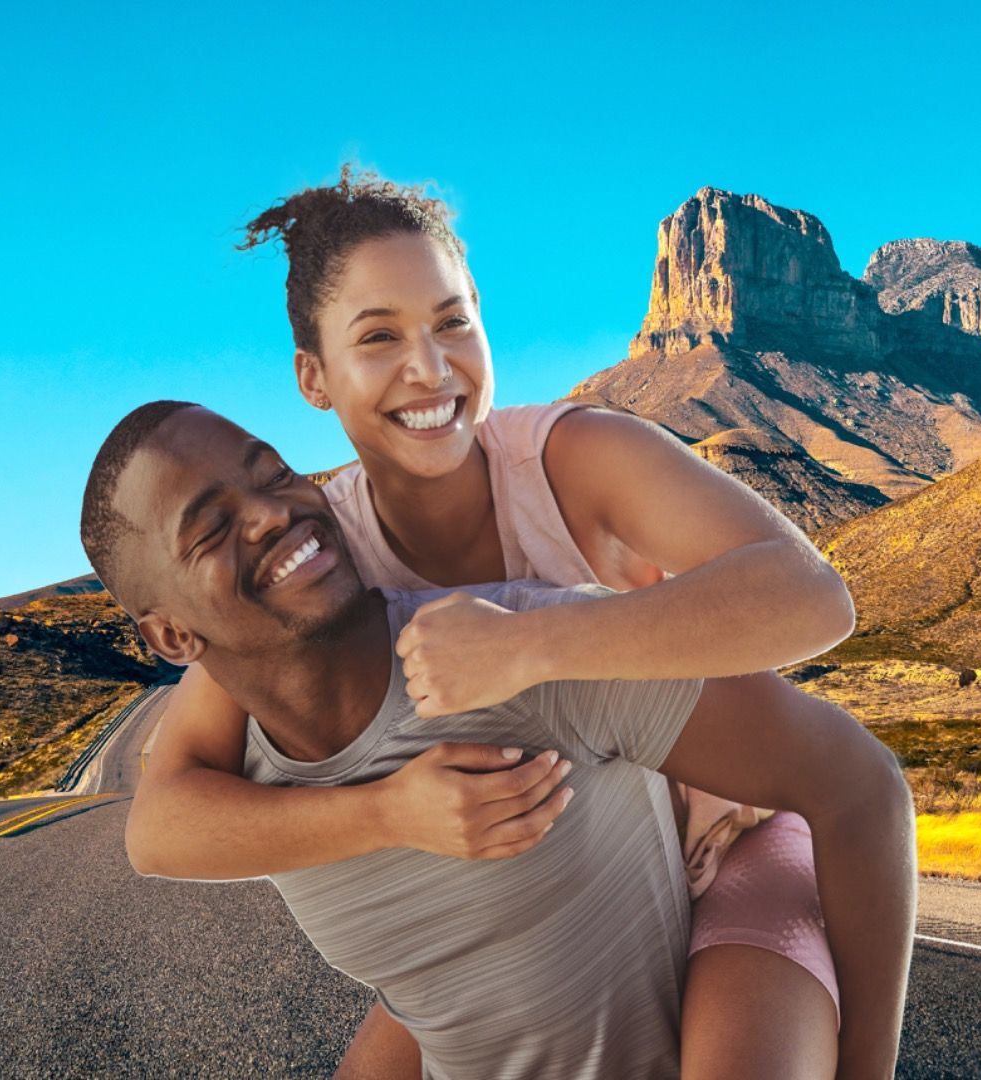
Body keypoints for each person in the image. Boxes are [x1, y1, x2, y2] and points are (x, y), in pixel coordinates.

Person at [124, 168, 906, 1077]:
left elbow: (812, 599)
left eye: (452, 321)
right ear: (314, 377)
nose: (430, 366)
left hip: (727, 850)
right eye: (378, 337)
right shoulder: (313, 558)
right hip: (547, 904)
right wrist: (388, 813)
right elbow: (161, 824)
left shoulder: (574, 459)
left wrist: (530, 644)